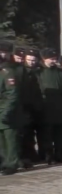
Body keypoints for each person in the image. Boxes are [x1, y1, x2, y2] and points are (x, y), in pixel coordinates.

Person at [36, 48, 62, 165]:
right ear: (44, 59)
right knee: (47, 134)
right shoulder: (39, 72)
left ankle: (60, 154)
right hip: (46, 107)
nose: (54, 61)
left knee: (60, 133)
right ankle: (48, 155)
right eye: (51, 59)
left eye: (55, 59)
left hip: (60, 106)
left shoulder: (61, 72)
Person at [0, 41, 22, 175]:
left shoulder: (7, 72)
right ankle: (4, 162)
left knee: (10, 139)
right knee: (1, 140)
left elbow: (12, 94)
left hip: (7, 110)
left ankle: (12, 163)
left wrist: (6, 111)